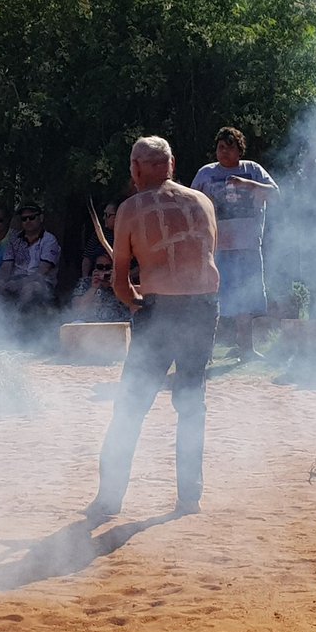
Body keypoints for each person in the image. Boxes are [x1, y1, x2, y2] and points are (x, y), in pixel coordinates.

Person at [87, 136, 220, 520]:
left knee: (131, 404)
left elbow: (119, 282)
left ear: (135, 168)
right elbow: (210, 256)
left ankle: (109, 500)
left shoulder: (131, 209)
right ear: (172, 165)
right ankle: (189, 498)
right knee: (192, 402)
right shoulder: (203, 202)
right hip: (203, 306)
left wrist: (135, 303)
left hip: (160, 309)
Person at [191, 126, 278, 359]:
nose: (224, 152)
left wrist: (248, 185)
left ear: (240, 150)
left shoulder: (253, 170)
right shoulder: (206, 173)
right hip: (215, 247)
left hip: (248, 245)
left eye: (229, 148)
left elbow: (275, 194)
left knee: (245, 298)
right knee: (212, 297)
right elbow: (190, 202)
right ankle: (206, 351)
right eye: (220, 147)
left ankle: (246, 348)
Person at [0, 203, 60, 307]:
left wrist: (19, 284)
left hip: (42, 283)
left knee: (29, 289)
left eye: (32, 217)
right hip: (16, 280)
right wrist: (1, 282)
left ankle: (18, 317)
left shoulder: (49, 240)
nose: (28, 221)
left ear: (41, 218)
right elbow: (6, 266)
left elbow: (42, 271)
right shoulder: (14, 240)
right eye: (24, 219)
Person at [69, 251, 130, 322]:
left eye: (107, 267)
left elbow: (131, 304)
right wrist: (93, 287)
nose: (104, 270)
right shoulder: (86, 282)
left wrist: (115, 284)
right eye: (100, 267)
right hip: (91, 323)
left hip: (117, 323)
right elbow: (77, 309)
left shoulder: (121, 283)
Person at [81, 201, 119, 278]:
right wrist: (85, 278)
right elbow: (87, 256)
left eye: (107, 215)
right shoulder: (100, 233)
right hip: (97, 277)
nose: (104, 218)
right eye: (104, 214)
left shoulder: (131, 236)